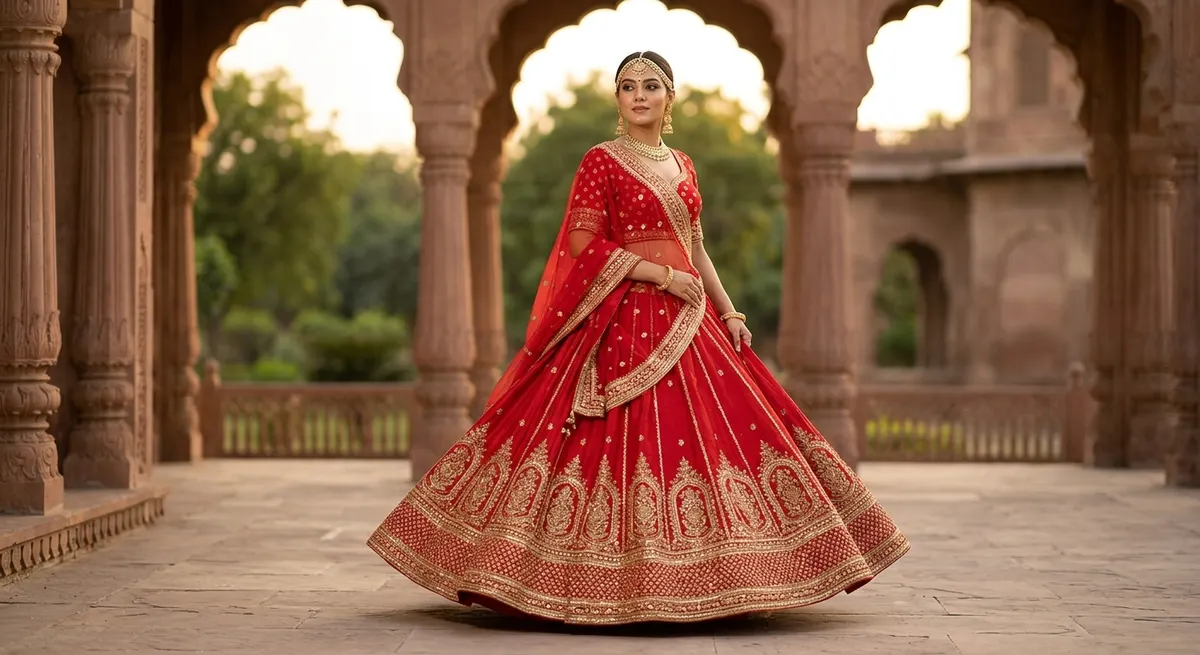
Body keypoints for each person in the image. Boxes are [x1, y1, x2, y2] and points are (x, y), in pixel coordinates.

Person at [368, 50, 909, 625]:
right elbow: (583, 243)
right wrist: (660, 276)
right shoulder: (601, 160)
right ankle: (579, 577)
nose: (640, 95)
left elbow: (696, 247)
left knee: (718, 433)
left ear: (669, 96)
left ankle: (729, 576)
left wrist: (729, 311)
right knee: (612, 439)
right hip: (622, 316)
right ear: (618, 99)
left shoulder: (683, 164)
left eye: (651, 86)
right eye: (628, 87)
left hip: (691, 317)